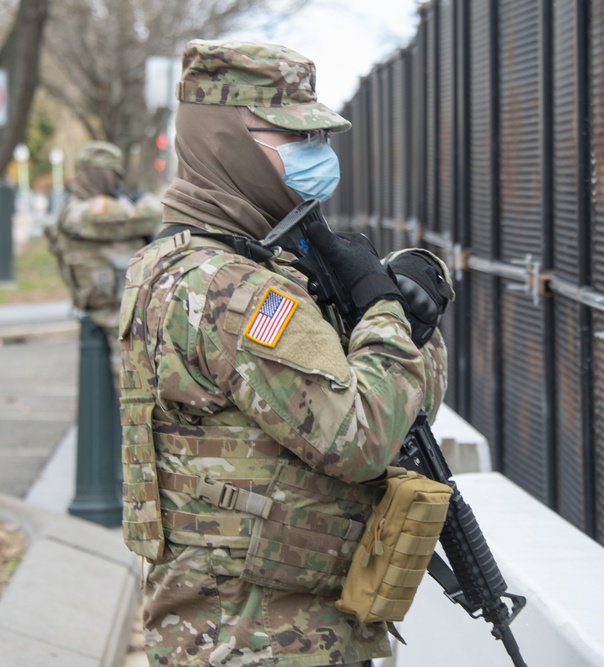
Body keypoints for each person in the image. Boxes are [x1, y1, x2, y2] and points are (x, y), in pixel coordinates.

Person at [118, 39, 453, 667]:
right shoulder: (232, 290)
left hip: (258, 626)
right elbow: (362, 436)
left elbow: (405, 406)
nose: (317, 155)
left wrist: (411, 313)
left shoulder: (194, 262)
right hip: (258, 636)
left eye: (318, 137)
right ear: (226, 141)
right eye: (293, 136)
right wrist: (382, 308)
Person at [45, 141, 161, 386]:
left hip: (108, 308)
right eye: (113, 176)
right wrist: (144, 199)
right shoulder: (91, 211)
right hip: (113, 312)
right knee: (134, 385)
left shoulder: (74, 209)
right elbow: (151, 216)